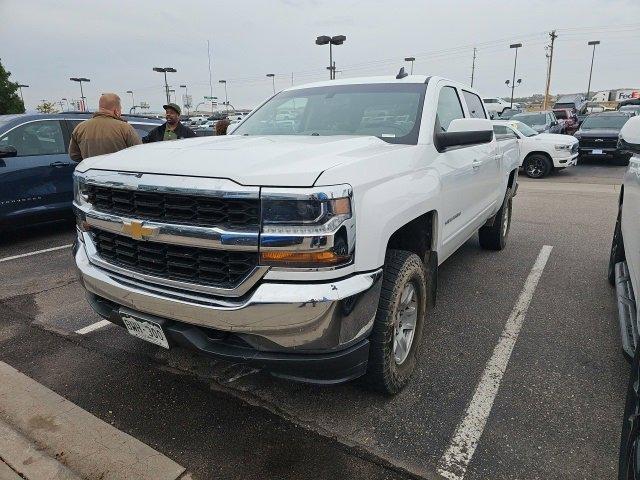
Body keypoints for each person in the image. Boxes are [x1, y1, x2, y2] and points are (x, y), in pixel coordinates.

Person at [69, 93, 141, 161]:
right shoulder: (125, 128)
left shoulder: (80, 128)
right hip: (117, 172)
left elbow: (74, 155)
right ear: (116, 111)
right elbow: (139, 152)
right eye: (120, 109)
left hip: (91, 172)